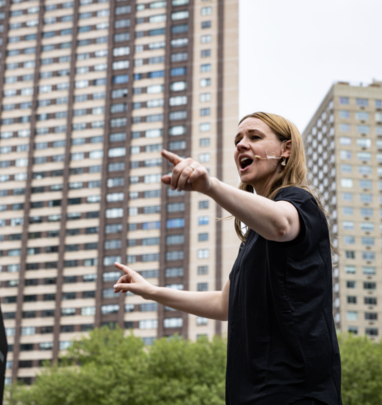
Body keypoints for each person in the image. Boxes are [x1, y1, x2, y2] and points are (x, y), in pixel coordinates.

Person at [112, 112, 342, 405]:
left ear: (286, 150)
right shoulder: (254, 238)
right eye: (238, 140)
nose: (241, 146)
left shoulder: (299, 202)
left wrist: (210, 185)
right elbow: (224, 304)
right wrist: (152, 291)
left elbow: (282, 224)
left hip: (295, 394)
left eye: (254, 137)